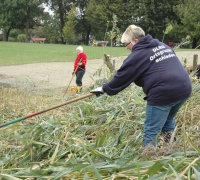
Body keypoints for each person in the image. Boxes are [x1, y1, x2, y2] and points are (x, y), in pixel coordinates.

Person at [90, 25, 192, 147]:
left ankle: (148, 159)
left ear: (136, 41)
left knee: (151, 130)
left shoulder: (137, 55)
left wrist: (103, 88)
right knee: (167, 119)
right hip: (184, 88)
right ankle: (171, 147)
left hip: (163, 92)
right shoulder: (162, 46)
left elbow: (121, 77)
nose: (126, 48)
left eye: (126, 44)